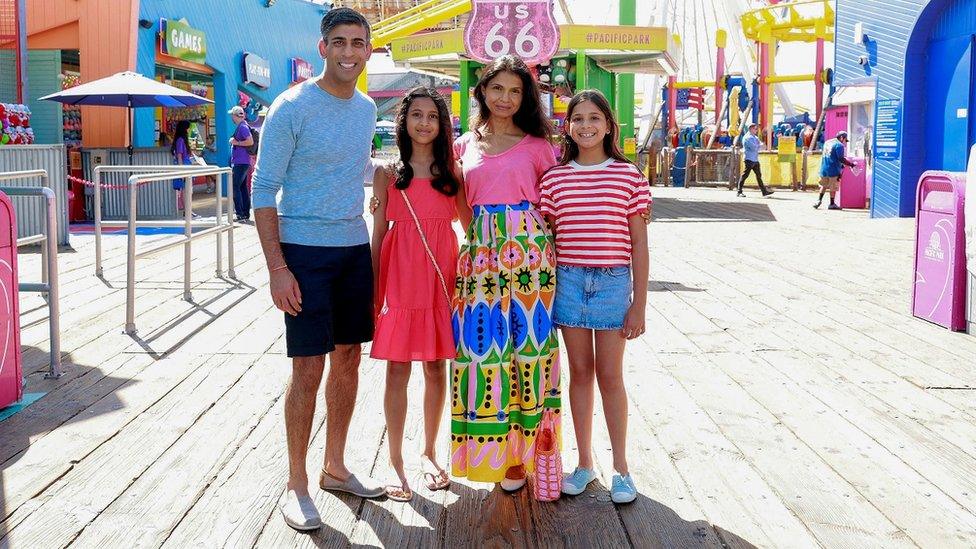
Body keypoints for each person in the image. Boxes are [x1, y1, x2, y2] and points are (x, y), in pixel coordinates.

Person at [251, 7, 383, 532]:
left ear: (368, 50)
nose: (350, 52)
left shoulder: (367, 109)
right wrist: (277, 268)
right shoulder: (290, 106)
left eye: (358, 43)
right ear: (323, 47)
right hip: (303, 252)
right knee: (307, 367)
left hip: (353, 248)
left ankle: (335, 467)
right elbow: (263, 188)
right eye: (340, 42)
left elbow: (353, 167)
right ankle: (296, 483)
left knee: (349, 358)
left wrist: (389, 172)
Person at [451, 54, 561, 491]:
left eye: (515, 91)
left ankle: (527, 458)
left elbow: (554, 205)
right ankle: (493, 455)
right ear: (482, 90)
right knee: (484, 351)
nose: (505, 98)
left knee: (529, 353)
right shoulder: (463, 145)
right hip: (480, 255)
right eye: (497, 88)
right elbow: (460, 203)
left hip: (531, 256)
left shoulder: (538, 146)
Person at [538, 90, 650, 504]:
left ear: (608, 125)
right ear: (568, 127)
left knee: (610, 375)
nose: (585, 126)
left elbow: (639, 244)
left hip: (613, 283)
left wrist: (639, 303)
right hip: (567, 281)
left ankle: (621, 469)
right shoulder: (554, 179)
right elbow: (546, 237)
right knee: (580, 373)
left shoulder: (628, 176)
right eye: (578, 119)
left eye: (594, 118)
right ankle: (584, 463)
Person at [370, 87, 461, 502]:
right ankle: (394, 460)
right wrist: (374, 292)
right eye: (416, 115)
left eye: (433, 116)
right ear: (403, 121)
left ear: (442, 124)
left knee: (436, 367)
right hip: (400, 280)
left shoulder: (453, 173)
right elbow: (378, 236)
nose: (424, 123)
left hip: (442, 276)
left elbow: (471, 226)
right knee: (397, 369)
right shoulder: (387, 173)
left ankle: (429, 452)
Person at [815, 130, 856, 210]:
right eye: (845, 140)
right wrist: (851, 164)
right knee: (833, 187)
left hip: (824, 168)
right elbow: (841, 158)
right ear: (841, 137)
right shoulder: (839, 145)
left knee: (823, 185)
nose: (845, 142)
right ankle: (832, 204)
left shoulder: (827, 142)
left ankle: (818, 201)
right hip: (833, 169)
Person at [228, 105, 254, 222]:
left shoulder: (242, 127)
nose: (231, 118)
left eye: (232, 115)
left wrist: (236, 142)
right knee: (242, 187)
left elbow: (250, 141)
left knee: (235, 187)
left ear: (235, 116)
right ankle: (245, 213)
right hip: (243, 161)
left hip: (240, 162)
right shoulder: (243, 126)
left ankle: (240, 213)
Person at [737, 123, 773, 197]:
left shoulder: (755, 137)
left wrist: (760, 145)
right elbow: (754, 147)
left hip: (755, 159)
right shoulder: (747, 137)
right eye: (755, 129)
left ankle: (764, 191)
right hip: (749, 159)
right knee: (745, 175)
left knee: (758, 175)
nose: (756, 130)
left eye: (757, 129)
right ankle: (739, 191)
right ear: (751, 129)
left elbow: (761, 146)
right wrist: (760, 146)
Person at [170, 120, 193, 212]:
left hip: (186, 166)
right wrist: (182, 171)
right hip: (184, 167)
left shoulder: (181, 140)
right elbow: (179, 156)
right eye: (188, 128)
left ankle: (188, 210)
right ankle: (187, 211)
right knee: (185, 190)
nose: (189, 130)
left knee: (187, 190)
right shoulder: (181, 140)